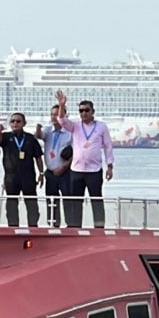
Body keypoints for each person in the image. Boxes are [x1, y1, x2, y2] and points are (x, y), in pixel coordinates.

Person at [55, 90, 114, 227]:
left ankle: (99, 226)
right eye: (81, 111)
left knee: (96, 200)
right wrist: (62, 105)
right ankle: (75, 226)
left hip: (94, 170)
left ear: (93, 111)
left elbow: (108, 146)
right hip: (77, 169)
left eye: (87, 110)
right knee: (76, 201)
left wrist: (110, 166)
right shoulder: (75, 125)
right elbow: (61, 120)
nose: (84, 113)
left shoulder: (101, 126)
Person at [0, 113, 45, 227]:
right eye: (12, 121)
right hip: (11, 177)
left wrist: (41, 173)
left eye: (18, 121)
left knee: (31, 204)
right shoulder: (6, 137)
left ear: (24, 123)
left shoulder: (30, 138)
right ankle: (13, 226)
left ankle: (33, 226)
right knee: (11, 204)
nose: (15, 123)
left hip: (28, 176)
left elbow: (38, 157)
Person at [35, 105, 73, 227]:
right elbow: (39, 136)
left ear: (64, 116)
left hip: (65, 172)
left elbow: (76, 152)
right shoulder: (48, 130)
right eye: (52, 114)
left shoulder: (70, 133)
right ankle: (53, 224)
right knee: (51, 200)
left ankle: (70, 224)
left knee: (68, 200)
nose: (54, 117)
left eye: (57, 114)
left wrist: (64, 166)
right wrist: (38, 128)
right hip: (50, 172)